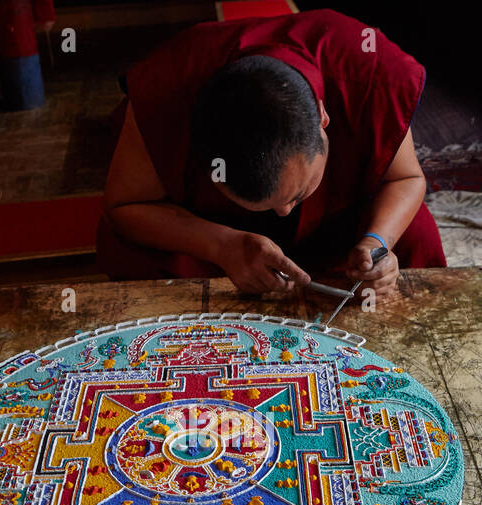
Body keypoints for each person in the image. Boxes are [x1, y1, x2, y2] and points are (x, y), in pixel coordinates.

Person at [98, 10, 445, 298]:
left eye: (296, 194)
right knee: (130, 252)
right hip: (217, 230)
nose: (282, 213)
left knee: (416, 235)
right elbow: (124, 206)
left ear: (323, 117)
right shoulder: (170, 86)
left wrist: (377, 242)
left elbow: (407, 177)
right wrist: (223, 246)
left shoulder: (365, 67)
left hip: (336, 224)